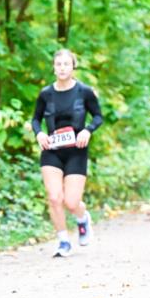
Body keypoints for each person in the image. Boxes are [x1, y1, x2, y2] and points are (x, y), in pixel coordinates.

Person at [31, 48, 104, 258]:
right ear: (54, 68)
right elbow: (35, 119)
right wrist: (39, 134)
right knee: (54, 197)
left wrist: (87, 131)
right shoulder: (46, 94)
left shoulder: (84, 91)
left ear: (73, 67)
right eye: (58, 64)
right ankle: (63, 241)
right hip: (52, 151)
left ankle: (83, 219)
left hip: (76, 151)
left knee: (71, 202)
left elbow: (98, 117)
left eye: (66, 64)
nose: (62, 68)